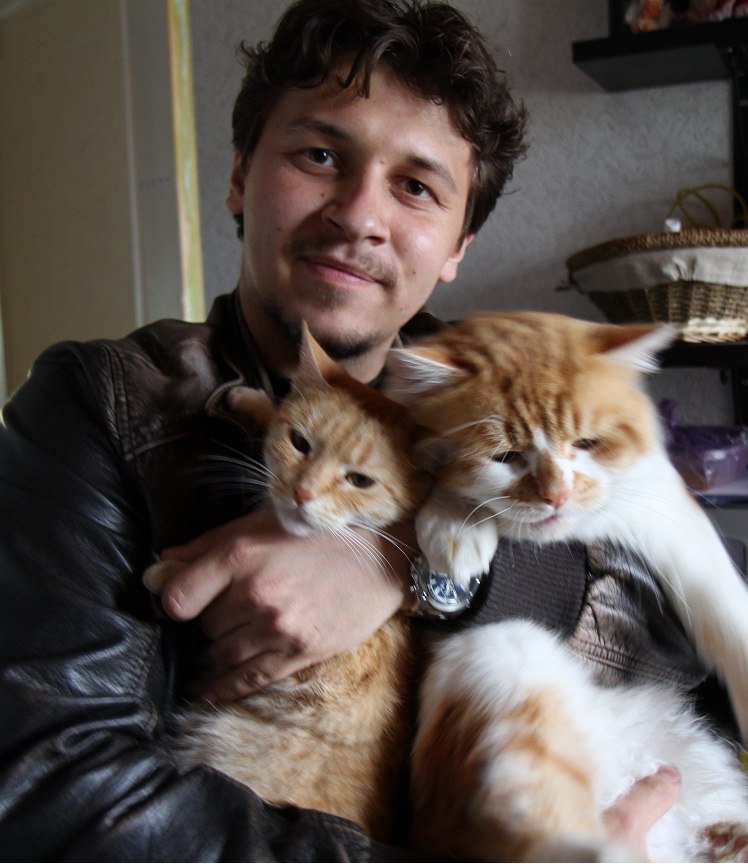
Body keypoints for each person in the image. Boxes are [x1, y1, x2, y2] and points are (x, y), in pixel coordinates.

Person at [0, 0, 705, 859]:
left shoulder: (498, 400)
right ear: (239, 176)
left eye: (416, 186)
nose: (359, 214)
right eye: (321, 155)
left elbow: (688, 619)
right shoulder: (98, 405)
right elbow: (52, 793)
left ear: (457, 245)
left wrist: (413, 564)